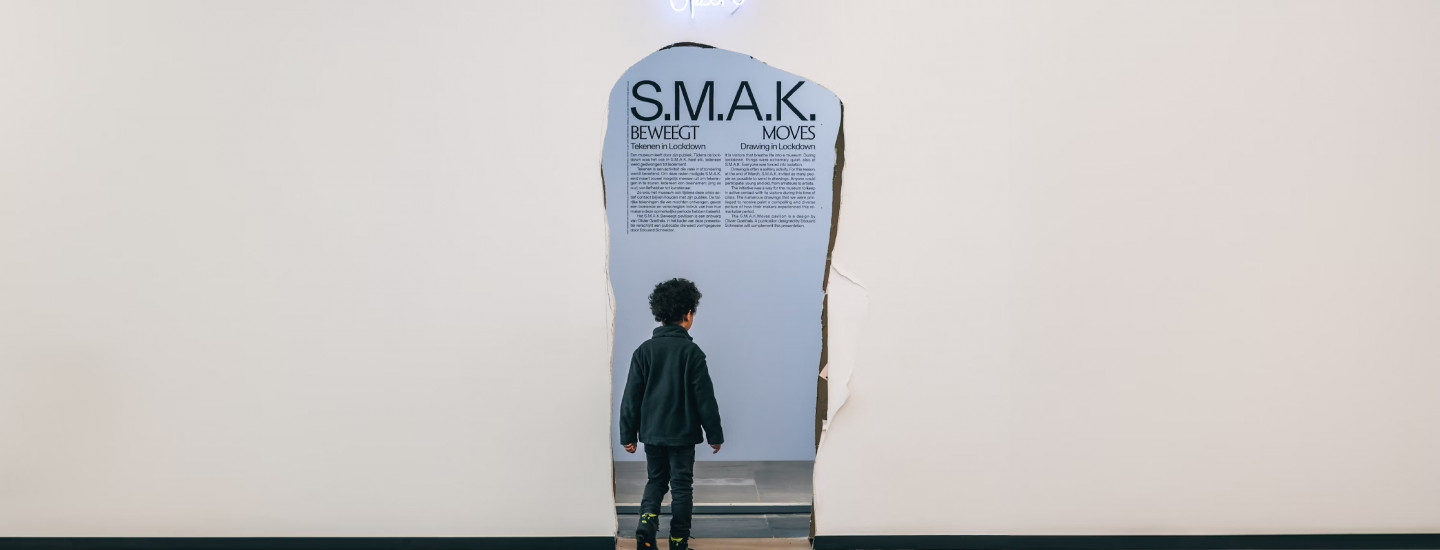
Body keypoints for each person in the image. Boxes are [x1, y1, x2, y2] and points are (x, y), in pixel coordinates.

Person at [620, 278, 725, 550]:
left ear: (660, 314)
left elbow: (631, 398)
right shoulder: (692, 353)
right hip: (683, 436)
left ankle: (646, 523)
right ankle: (678, 540)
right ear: (688, 315)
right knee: (681, 486)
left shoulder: (643, 352)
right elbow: (705, 400)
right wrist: (714, 435)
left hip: (652, 434)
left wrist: (627, 435)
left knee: (656, 480)